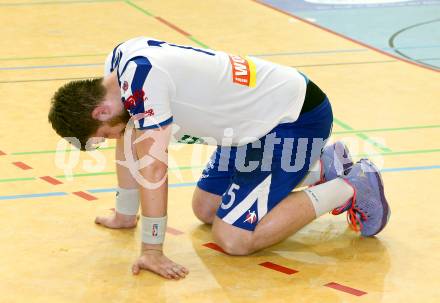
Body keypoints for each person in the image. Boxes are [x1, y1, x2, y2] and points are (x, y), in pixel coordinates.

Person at [48, 37, 390, 280]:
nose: (113, 140)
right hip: (248, 127)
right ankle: (320, 167)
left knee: (235, 238)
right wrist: (125, 215)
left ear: (101, 109)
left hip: (291, 121)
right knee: (206, 210)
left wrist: (152, 249)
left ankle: (351, 184)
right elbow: (129, 138)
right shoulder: (117, 67)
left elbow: (153, 167)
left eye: (105, 134)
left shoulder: (143, 83)